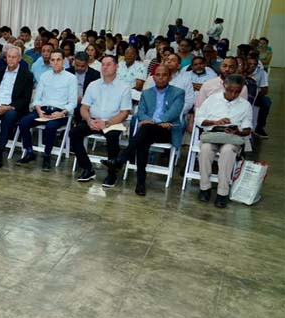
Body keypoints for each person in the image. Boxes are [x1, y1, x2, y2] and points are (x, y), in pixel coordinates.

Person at [101, 66, 185, 193]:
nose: (161, 78)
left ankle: (121, 160)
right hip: (149, 129)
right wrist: (152, 122)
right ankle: (140, 183)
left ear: (170, 77)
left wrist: (156, 121)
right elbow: (141, 113)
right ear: (153, 77)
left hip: (167, 130)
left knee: (144, 131)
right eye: (158, 75)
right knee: (143, 140)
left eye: (164, 75)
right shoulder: (147, 93)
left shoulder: (178, 93)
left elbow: (174, 112)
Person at [69, 56, 132, 184]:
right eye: (103, 64)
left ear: (116, 67)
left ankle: (112, 173)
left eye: (108, 64)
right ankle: (87, 168)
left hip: (112, 123)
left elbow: (124, 112)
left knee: (112, 138)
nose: (105, 67)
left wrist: (106, 123)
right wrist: (88, 120)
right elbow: (84, 107)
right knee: (74, 133)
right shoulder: (93, 85)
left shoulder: (124, 87)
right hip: (93, 120)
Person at [195, 74, 252, 208]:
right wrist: (215, 122)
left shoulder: (245, 105)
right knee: (205, 149)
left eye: (237, 91)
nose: (233, 94)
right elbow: (199, 119)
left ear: (241, 89)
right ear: (224, 86)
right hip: (212, 134)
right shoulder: (212, 100)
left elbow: (248, 128)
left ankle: (222, 192)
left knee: (227, 152)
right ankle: (205, 188)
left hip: (232, 137)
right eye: (230, 90)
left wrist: (237, 131)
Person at [16, 49, 77, 171]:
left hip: (60, 113)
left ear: (63, 61)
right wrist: (39, 111)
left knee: (50, 127)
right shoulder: (44, 76)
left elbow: (73, 102)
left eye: (58, 60)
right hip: (42, 110)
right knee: (23, 122)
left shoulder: (71, 78)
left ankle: (47, 156)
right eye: (52, 60)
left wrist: (61, 113)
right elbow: (37, 99)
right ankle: (29, 151)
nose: (55, 63)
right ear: (50, 61)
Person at [67, 51, 101, 122]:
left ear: (87, 63)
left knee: (79, 110)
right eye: (77, 65)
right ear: (74, 62)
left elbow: (96, 94)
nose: (79, 68)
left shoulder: (95, 75)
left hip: (85, 103)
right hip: (68, 101)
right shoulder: (67, 72)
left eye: (82, 66)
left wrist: (83, 99)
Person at [246, 54, 271, 138]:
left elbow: (265, 89)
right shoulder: (241, 71)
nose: (252, 66)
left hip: (256, 95)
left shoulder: (261, 72)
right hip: (241, 95)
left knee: (266, 102)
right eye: (250, 64)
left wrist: (255, 95)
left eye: (254, 64)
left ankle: (259, 128)